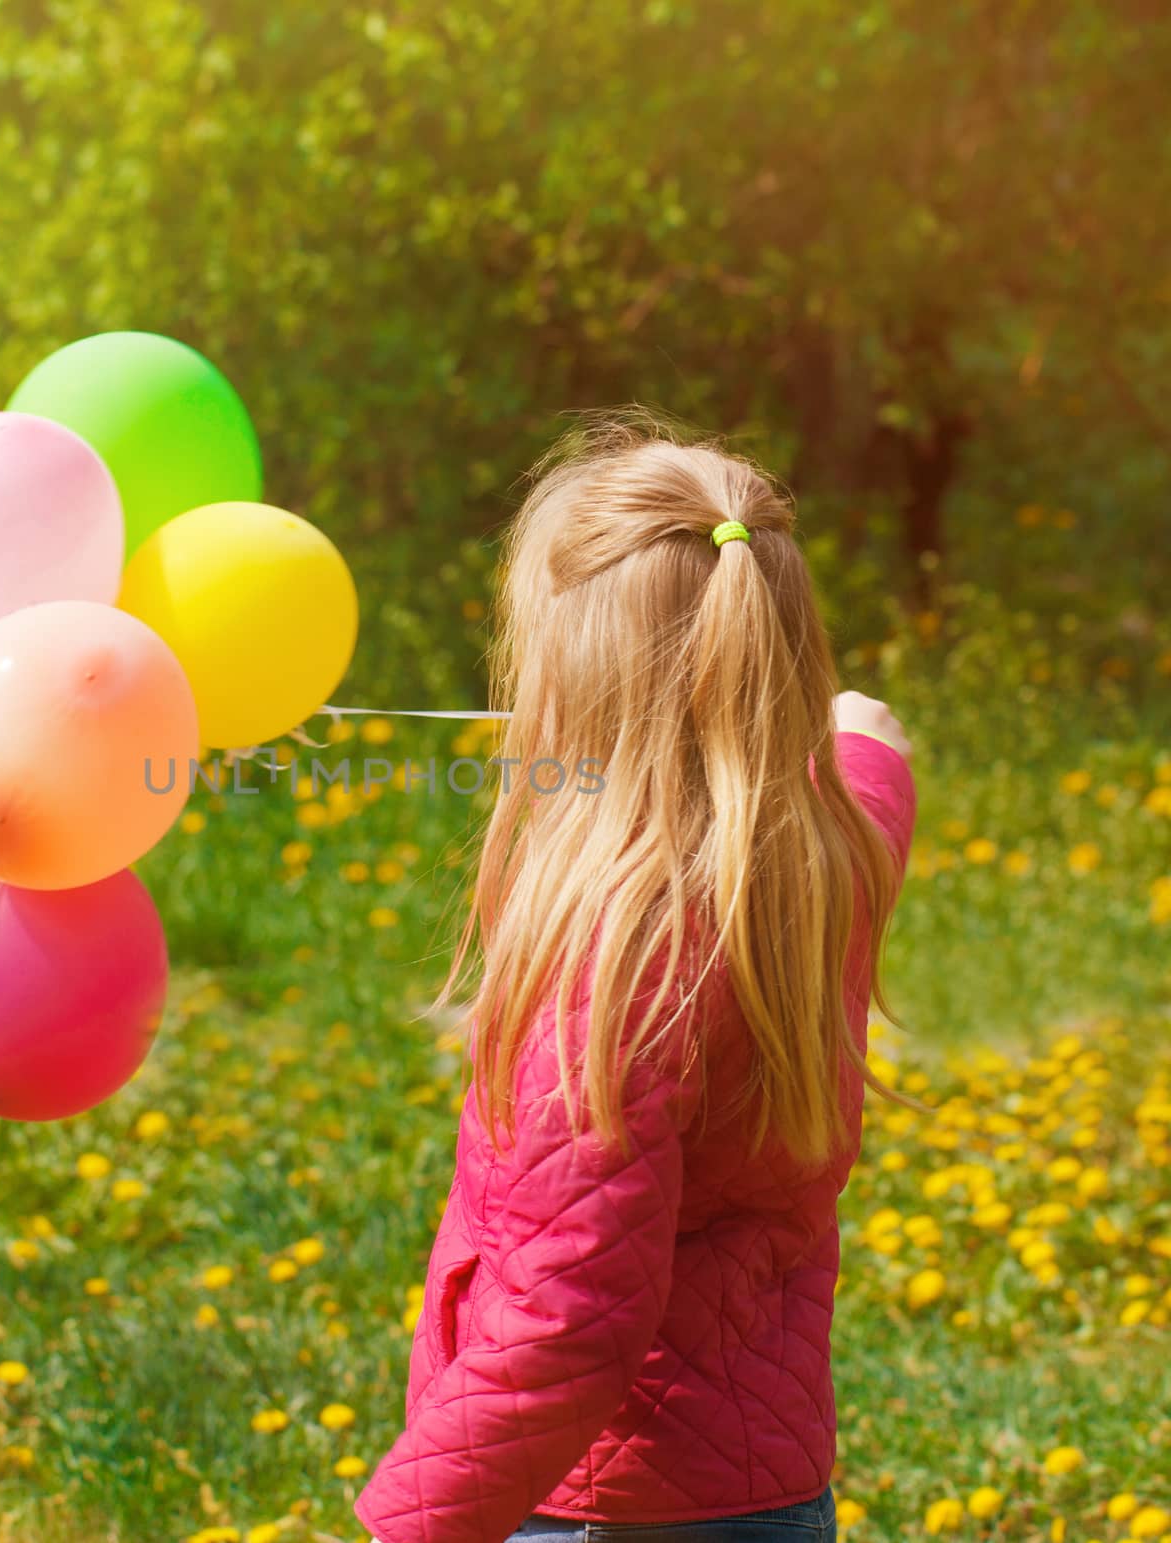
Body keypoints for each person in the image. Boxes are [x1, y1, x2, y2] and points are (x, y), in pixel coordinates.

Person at [352, 415, 917, 1543]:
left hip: (597, 1504)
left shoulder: (620, 961)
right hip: (766, 1486)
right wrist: (837, 722)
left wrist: (401, 1529)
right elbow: (870, 746)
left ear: (572, 685)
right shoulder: (828, 852)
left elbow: (568, 1320)